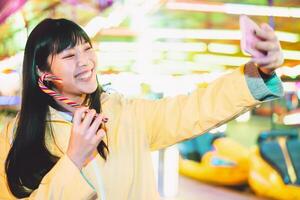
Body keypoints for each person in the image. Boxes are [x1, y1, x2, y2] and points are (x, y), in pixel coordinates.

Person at [0, 18, 284, 200]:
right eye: (70, 55)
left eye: (87, 50)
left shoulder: (124, 113)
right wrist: (73, 159)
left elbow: (192, 110)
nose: (85, 62)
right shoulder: (13, 139)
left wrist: (258, 73)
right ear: (42, 72)